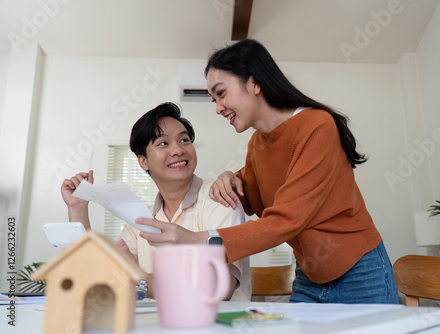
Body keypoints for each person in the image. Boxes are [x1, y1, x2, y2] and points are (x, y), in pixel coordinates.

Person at [137, 39, 398, 304]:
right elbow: (253, 193)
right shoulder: (258, 143)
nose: (218, 108)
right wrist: (232, 178)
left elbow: (287, 220)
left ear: (254, 83)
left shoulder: (317, 126)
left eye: (222, 93)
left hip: (360, 270)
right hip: (310, 275)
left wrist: (196, 240)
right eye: (213, 99)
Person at [61, 102, 251, 301]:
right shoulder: (141, 219)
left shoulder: (220, 200)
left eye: (184, 140)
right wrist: (78, 208)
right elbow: (97, 274)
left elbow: (217, 289)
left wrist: (139, 280)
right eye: (163, 143)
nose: (178, 150)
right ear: (143, 162)